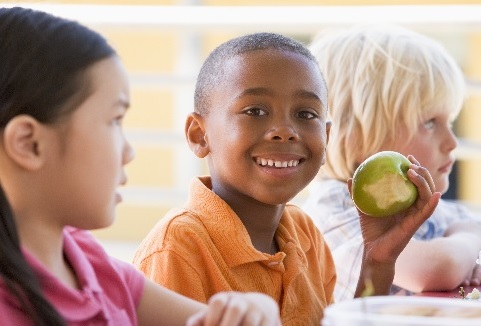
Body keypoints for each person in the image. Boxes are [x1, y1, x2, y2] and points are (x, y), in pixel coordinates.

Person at [132, 31, 441, 325]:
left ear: (327, 135)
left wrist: (378, 259)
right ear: (200, 135)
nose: (285, 130)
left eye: (306, 114)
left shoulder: (304, 234)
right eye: (255, 111)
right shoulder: (178, 248)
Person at [0, 7, 283, 326]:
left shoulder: (85, 261)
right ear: (29, 143)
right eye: (114, 120)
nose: (129, 152)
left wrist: (256, 310)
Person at [302, 24, 481, 302]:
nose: (452, 142)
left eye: (451, 122)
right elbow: (437, 269)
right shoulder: (335, 212)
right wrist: (469, 239)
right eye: (431, 123)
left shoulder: (430, 206)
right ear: (358, 137)